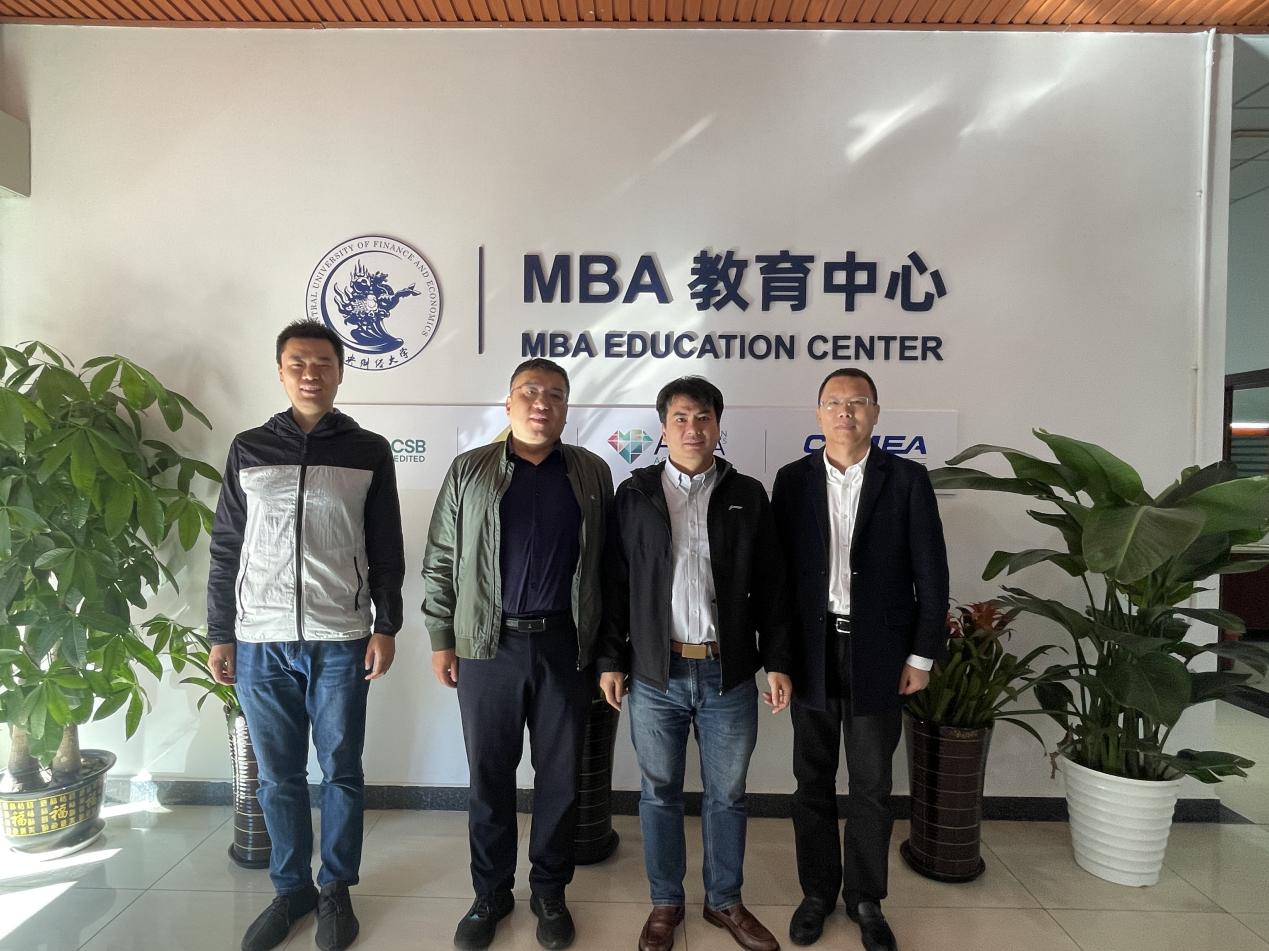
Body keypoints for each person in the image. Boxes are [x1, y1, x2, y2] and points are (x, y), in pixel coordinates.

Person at [207, 320, 404, 951]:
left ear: (341, 371)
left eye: (323, 362)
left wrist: (386, 624)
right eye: (298, 362)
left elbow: (386, 545)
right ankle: (290, 889)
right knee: (278, 775)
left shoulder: (369, 450)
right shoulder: (249, 448)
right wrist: (220, 633)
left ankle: (335, 889)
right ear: (281, 371)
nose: (310, 372)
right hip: (260, 638)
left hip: (341, 636)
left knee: (341, 771)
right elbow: (226, 546)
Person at [421, 358, 613, 951]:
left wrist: (606, 651)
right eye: (530, 392)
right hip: (487, 645)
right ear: (508, 404)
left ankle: (550, 892)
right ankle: (491, 893)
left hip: (565, 645)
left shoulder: (590, 471)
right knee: (489, 777)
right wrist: (441, 637)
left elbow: (607, 568)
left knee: (560, 779)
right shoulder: (470, 469)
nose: (542, 403)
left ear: (566, 409)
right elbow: (440, 558)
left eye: (555, 394)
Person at [598, 376, 792, 951]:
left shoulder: (747, 494)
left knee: (727, 794)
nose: (692, 428)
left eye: (703, 417)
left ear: (717, 425)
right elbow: (614, 584)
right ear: (663, 428)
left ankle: (724, 899)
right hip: (655, 673)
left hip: (726, 673)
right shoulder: (634, 495)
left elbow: (773, 586)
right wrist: (611, 658)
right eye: (680, 418)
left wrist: (777, 661)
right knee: (658, 791)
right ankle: (665, 901)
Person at [771, 369, 949, 951]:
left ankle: (866, 898)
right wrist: (778, 659)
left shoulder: (907, 479)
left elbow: (931, 572)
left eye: (857, 402)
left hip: (881, 652)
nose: (844, 412)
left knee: (872, 783)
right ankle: (818, 894)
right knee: (811, 780)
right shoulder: (792, 481)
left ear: (875, 411)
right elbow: (778, 581)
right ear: (818, 414)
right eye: (834, 402)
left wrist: (921, 655)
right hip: (812, 649)